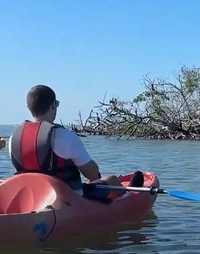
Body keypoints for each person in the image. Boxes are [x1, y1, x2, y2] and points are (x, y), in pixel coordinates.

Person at [9, 84, 144, 201]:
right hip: (66, 198)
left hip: (32, 197)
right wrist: (96, 177)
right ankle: (129, 197)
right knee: (111, 180)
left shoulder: (13, 138)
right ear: (53, 105)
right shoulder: (64, 136)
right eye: (56, 104)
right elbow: (91, 174)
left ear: (29, 107)